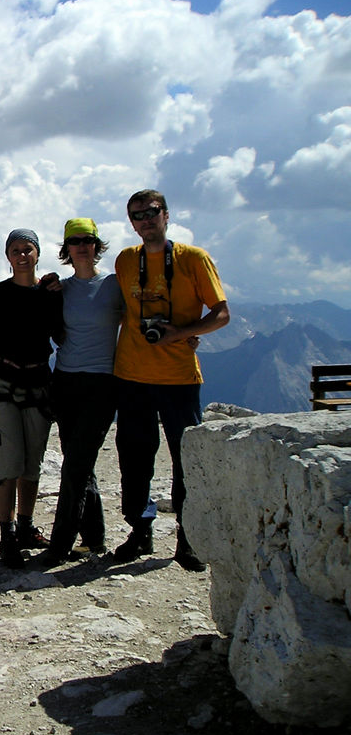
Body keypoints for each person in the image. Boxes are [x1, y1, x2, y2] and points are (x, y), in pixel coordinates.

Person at [112, 189, 230, 571]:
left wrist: (178, 334)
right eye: (137, 215)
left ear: (166, 215)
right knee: (134, 457)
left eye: (151, 212)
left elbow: (221, 313)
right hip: (131, 374)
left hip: (179, 377)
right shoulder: (126, 260)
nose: (145, 220)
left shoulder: (194, 259)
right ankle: (140, 529)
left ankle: (188, 536)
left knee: (185, 459)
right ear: (131, 222)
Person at [40, 218, 123, 567]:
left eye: (87, 240)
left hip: (103, 383)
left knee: (74, 464)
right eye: (75, 241)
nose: (82, 246)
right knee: (79, 459)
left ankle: (60, 543)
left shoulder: (116, 285)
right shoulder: (62, 289)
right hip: (66, 380)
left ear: (96, 245)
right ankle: (94, 538)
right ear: (67, 249)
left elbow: (143, 315)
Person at [0, 229, 63, 568]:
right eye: (16, 250)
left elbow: (61, 331)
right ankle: (8, 534)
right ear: (8, 256)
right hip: (6, 382)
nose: (22, 255)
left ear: (37, 253)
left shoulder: (50, 293)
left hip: (36, 381)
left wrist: (56, 290)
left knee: (32, 463)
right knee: (7, 464)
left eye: (27, 249)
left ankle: (24, 528)